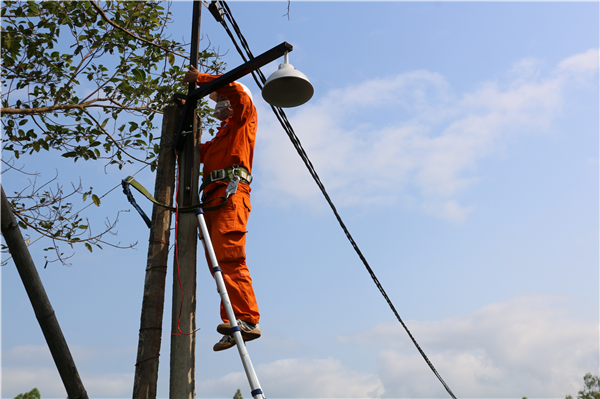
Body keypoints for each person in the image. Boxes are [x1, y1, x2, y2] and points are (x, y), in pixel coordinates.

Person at [183, 66, 260, 352]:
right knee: (216, 263)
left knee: (229, 256)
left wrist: (200, 80)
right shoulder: (220, 138)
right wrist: (182, 116)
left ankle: (247, 319)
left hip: (232, 194)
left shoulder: (243, 119)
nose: (218, 104)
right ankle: (233, 318)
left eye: (219, 100)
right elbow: (192, 151)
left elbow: (237, 91)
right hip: (213, 197)